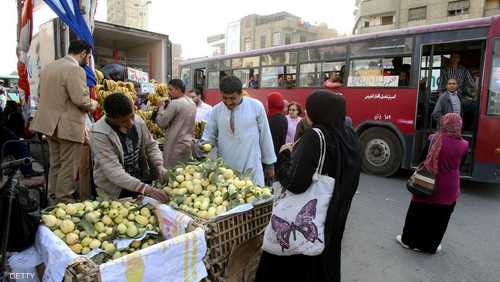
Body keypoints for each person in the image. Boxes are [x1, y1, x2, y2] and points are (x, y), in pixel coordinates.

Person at [255, 90, 362, 282]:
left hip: (304, 220)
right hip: (332, 219)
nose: (306, 114)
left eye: (309, 109)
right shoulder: (349, 136)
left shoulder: (316, 136)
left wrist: (284, 157)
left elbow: (296, 184)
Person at [31, 40, 98, 202]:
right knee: (68, 166)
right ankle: (64, 200)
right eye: (88, 57)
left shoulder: (49, 67)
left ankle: (52, 198)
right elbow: (80, 100)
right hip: (67, 127)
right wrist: (94, 104)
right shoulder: (75, 70)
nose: (88, 61)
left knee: (56, 164)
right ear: (83, 53)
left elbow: (41, 94)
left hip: (49, 126)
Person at [397, 113, 468, 254]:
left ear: (443, 123)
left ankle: (409, 241)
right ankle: (431, 246)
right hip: (449, 188)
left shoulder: (433, 139)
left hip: (427, 182)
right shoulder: (464, 145)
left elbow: (421, 159)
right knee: (439, 219)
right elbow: (461, 165)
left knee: (417, 213)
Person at [90, 93, 169, 202]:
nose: (131, 123)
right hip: (114, 189)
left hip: (138, 180)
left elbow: (151, 145)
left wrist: (159, 165)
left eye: (132, 116)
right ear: (111, 118)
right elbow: (113, 171)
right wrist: (147, 189)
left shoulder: (137, 121)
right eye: (123, 121)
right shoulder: (100, 133)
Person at [202, 75, 276, 186]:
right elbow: (209, 137)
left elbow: (265, 136)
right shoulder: (216, 111)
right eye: (224, 98)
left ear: (241, 93)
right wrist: (202, 146)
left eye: (232, 98)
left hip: (251, 166)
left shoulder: (256, 107)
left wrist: (270, 164)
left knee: (254, 198)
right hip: (226, 171)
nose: (228, 102)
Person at [156, 79, 196, 168]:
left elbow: (162, 123)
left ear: (178, 89)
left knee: (171, 173)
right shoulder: (192, 103)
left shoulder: (175, 103)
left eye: (170, 89)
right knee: (183, 173)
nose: (168, 92)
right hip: (187, 144)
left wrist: (161, 108)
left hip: (174, 145)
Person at [267, 92, 288, 157]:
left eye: (268, 101)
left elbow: (274, 141)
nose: (266, 103)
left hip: (273, 156)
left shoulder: (276, 118)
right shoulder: (281, 116)